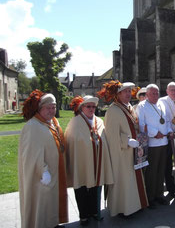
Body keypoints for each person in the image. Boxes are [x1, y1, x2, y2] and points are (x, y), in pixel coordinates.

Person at [98, 81, 148, 217]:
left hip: (134, 151)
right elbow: (111, 135)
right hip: (121, 154)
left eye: (129, 91)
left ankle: (136, 205)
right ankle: (124, 209)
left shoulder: (129, 107)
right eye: (125, 91)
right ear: (117, 95)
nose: (128, 94)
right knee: (125, 181)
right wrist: (126, 141)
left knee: (133, 179)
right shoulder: (113, 111)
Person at [18, 90, 68, 228]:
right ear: (40, 109)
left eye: (54, 107)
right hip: (41, 175)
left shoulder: (51, 122)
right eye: (48, 108)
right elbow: (30, 154)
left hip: (54, 171)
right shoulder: (32, 126)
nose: (52, 111)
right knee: (42, 202)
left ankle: (53, 223)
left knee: (52, 200)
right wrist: (43, 170)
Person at [65, 95, 114, 226]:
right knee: (81, 187)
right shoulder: (75, 123)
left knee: (96, 186)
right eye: (88, 106)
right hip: (81, 161)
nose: (91, 109)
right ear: (82, 107)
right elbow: (72, 142)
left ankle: (93, 211)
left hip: (97, 160)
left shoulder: (99, 121)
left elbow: (104, 137)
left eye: (93, 106)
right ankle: (84, 215)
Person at [137, 84, 173, 208]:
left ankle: (159, 194)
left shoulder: (162, 104)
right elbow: (142, 125)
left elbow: (167, 120)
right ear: (147, 94)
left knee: (161, 169)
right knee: (151, 172)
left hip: (164, 142)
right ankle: (150, 197)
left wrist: (169, 131)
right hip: (152, 144)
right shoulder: (142, 106)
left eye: (157, 93)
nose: (155, 95)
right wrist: (154, 133)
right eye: (153, 93)